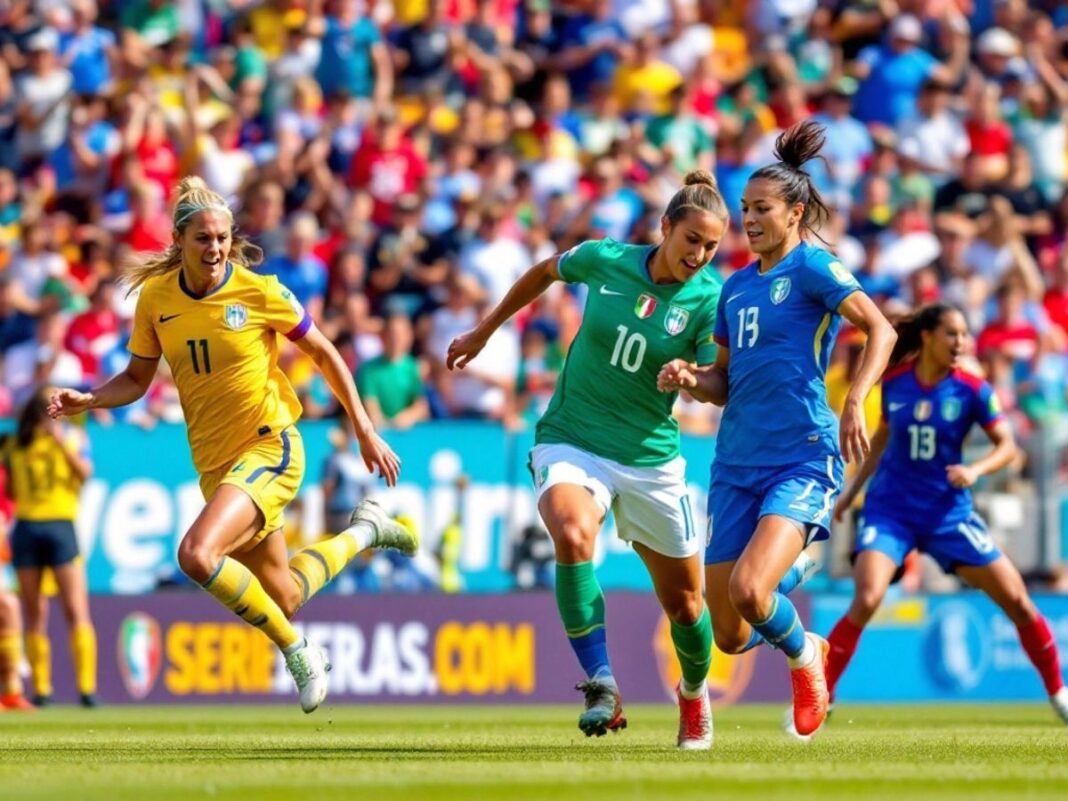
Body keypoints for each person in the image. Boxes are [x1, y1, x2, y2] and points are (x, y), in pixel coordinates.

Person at [47, 176, 417, 714]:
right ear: (179, 243)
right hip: (217, 465)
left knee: (197, 555)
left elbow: (325, 353)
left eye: (222, 237)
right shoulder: (157, 298)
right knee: (285, 595)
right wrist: (90, 399)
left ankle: (296, 649)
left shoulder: (259, 290)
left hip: (272, 447)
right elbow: (135, 379)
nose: (215, 248)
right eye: (203, 239)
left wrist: (363, 427)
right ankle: (364, 531)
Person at [449, 171, 729, 750]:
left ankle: (694, 694)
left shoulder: (709, 300)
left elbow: (720, 383)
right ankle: (601, 680)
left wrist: (692, 378)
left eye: (711, 247)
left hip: (650, 458)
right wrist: (484, 331)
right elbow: (545, 271)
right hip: (572, 436)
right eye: (692, 241)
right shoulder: (605, 259)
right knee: (573, 534)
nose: (699, 256)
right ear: (665, 228)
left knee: (685, 603)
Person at [658, 121, 897, 739]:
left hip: (801, 455)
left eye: (761, 208)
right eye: (744, 209)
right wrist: (691, 377)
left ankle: (804, 656)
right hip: (736, 461)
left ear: (794, 212)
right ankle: (788, 577)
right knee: (733, 631)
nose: (749, 219)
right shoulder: (734, 288)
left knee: (748, 587)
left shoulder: (817, 268)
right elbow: (725, 382)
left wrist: (856, 401)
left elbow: (882, 330)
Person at [826, 304, 1068, 724]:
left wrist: (975, 469)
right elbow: (881, 441)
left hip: (947, 515)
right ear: (927, 338)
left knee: (1019, 602)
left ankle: (1058, 691)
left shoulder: (973, 390)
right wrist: (850, 496)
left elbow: (1007, 447)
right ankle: (820, 696)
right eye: (951, 334)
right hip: (891, 512)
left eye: (964, 335)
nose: (961, 343)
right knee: (866, 597)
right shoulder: (896, 385)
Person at [2, 390, 97, 707]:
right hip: (29, 527)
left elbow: (84, 474)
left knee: (74, 608)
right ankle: (42, 689)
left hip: (60, 525)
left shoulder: (72, 438)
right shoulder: (16, 445)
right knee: (35, 611)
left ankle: (86, 689)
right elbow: (12, 490)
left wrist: (59, 442)